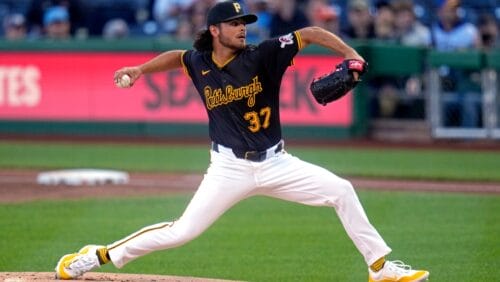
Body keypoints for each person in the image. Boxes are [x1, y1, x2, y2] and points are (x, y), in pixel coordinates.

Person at [54, 1, 429, 281]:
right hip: (228, 169)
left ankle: (379, 267)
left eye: (244, 22)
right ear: (215, 30)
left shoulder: (264, 55)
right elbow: (178, 58)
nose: (243, 28)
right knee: (182, 232)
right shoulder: (199, 62)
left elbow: (312, 33)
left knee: (342, 191)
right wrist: (140, 69)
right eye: (234, 23)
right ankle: (97, 256)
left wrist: (350, 54)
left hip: (278, 163)